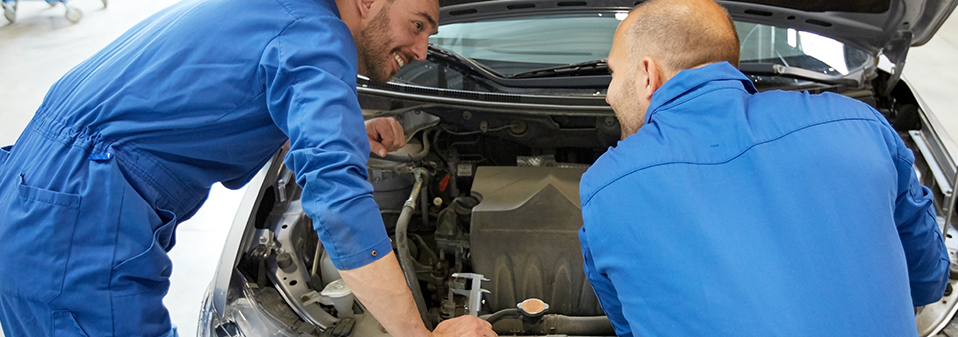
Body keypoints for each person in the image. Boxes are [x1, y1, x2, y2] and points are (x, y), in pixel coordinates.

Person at [0, 0, 496, 335]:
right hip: (74, 220)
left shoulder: (279, 10)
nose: (421, 51)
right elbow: (340, 206)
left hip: (38, 185)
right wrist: (418, 332)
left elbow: (221, 88)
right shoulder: (316, 35)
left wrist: (346, 132)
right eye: (418, 25)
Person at [578, 0, 950, 336]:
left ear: (647, 74)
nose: (609, 92)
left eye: (612, 72)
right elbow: (929, 280)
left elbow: (631, 326)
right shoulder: (859, 124)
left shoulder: (606, 188)